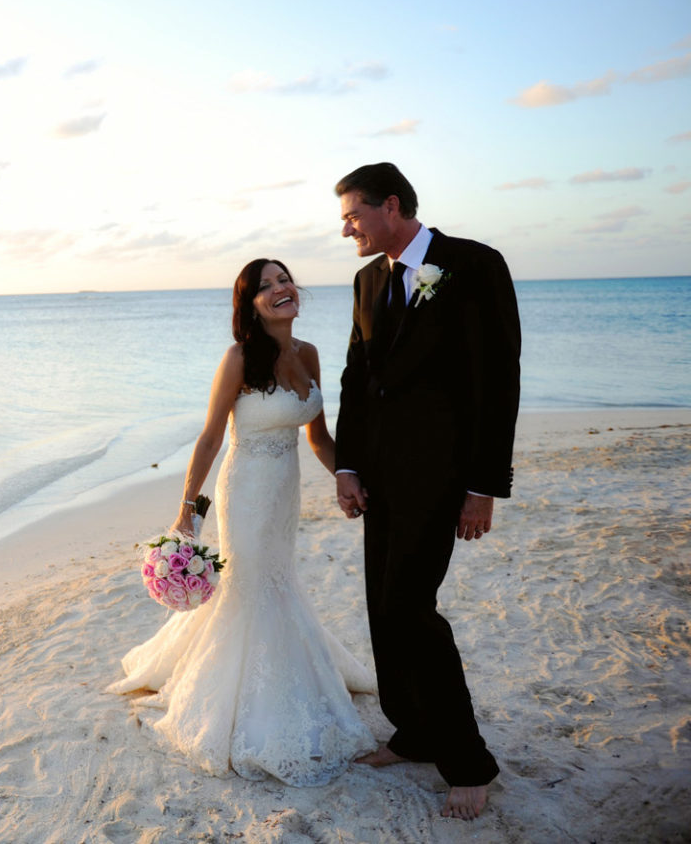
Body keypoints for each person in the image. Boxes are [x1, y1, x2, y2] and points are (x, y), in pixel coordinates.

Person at [108, 258, 376, 787]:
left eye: (284, 280)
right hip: (246, 491)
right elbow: (210, 437)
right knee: (248, 587)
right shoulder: (238, 359)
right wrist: (188, 511)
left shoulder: (310, 354)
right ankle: (242, 702)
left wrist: (350, 478)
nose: (281, 289)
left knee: (278, 582)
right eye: (266, 286)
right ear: (251, 305)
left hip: (286, 493)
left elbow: (317, 437)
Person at [332, 162, 520, 820]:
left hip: (442, 477)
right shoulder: (365, 281)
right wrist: (346, 467)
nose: (346, 226)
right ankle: (412, 731)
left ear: (391, 204)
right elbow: (358, 379)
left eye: (353, 213)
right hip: (377, 478)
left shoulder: (472, 265)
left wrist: (484, 485)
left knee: (411, 608)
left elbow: (498, 380)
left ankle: (468, 760)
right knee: (383, 607)